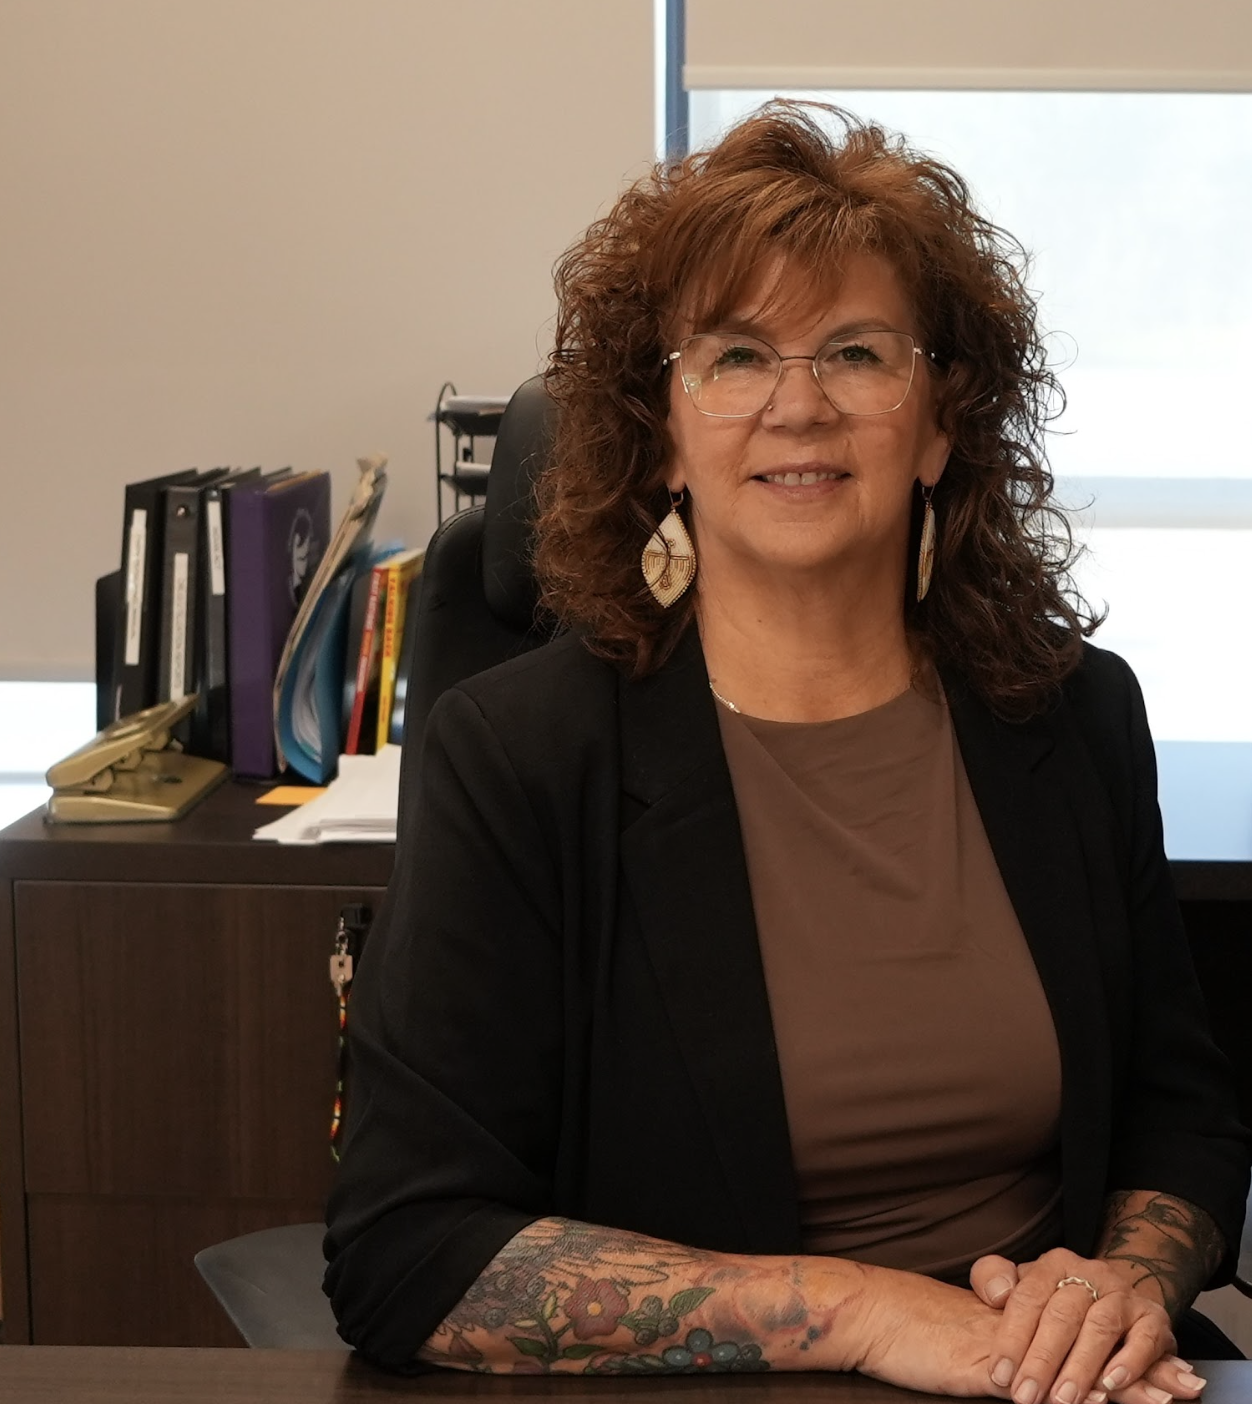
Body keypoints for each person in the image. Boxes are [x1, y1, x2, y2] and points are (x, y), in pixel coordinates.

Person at [324, 103, 1249, 1401]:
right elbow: (409, 1253)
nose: (799, 405)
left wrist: (1122, 1288)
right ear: (663, 430)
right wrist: (866, 1314)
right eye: (737, 356)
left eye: (858, 353)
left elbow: (1180, 1118)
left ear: (940, 424)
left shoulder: (1074, 715)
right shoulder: (523, 756)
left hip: (1055, 1382)